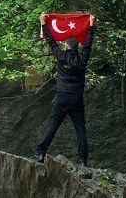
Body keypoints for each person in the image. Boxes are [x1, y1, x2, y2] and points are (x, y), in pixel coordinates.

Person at [34, 12, 95, 166]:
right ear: (77, 48)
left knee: (52, 126)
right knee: (80, 129)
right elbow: (88, 43)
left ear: (67, 46)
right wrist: (91, 25)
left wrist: (43, 23)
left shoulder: (61, 56)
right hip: (76, 98)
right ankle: (82, 160)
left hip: (62, 97)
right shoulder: (82, 59)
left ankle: (40, 154)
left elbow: (51, 42)